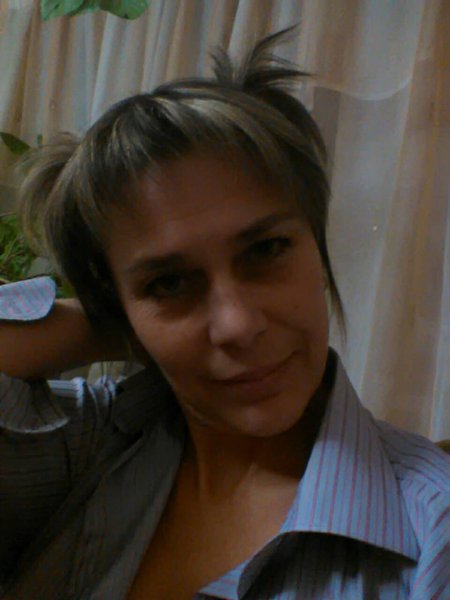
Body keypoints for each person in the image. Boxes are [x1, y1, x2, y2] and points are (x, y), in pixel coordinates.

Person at [0, 29, 449, 600]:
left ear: (316, 247)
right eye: (168, 282)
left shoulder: (431, 534)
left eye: (266, 250)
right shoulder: (83, 450)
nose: (238, 325)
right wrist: (125, 322)